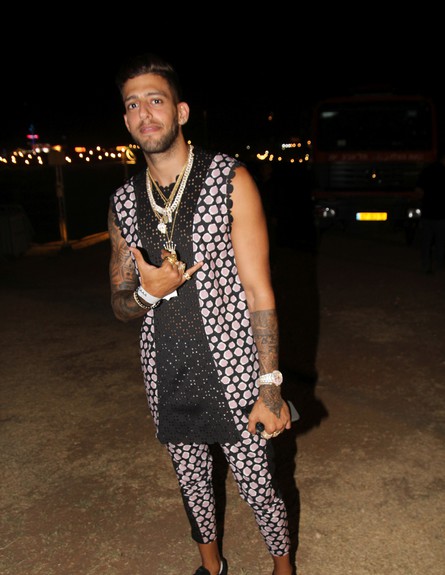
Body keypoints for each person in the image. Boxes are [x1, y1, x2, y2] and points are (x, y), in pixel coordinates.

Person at [108, 53, 295, 575]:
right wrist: (149, 294)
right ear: (126, 120)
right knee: (191, 481)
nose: (145, 113)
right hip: (166, 371)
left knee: (259, 486)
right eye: (133, 104)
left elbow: (259, 290)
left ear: (181, 111)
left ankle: (283, 569)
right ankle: (211, 568)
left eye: (156, 100)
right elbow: (120, 305)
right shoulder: (123, 202)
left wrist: (270, 388)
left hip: (234, 369)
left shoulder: (229, 179)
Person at [415, 150, 445, 274]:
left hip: (427, 211)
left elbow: (418, 191)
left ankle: (425, 264)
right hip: (441, 213)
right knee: (440, 241)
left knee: (426, 241)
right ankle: (439, 264)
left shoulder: (426, 171)